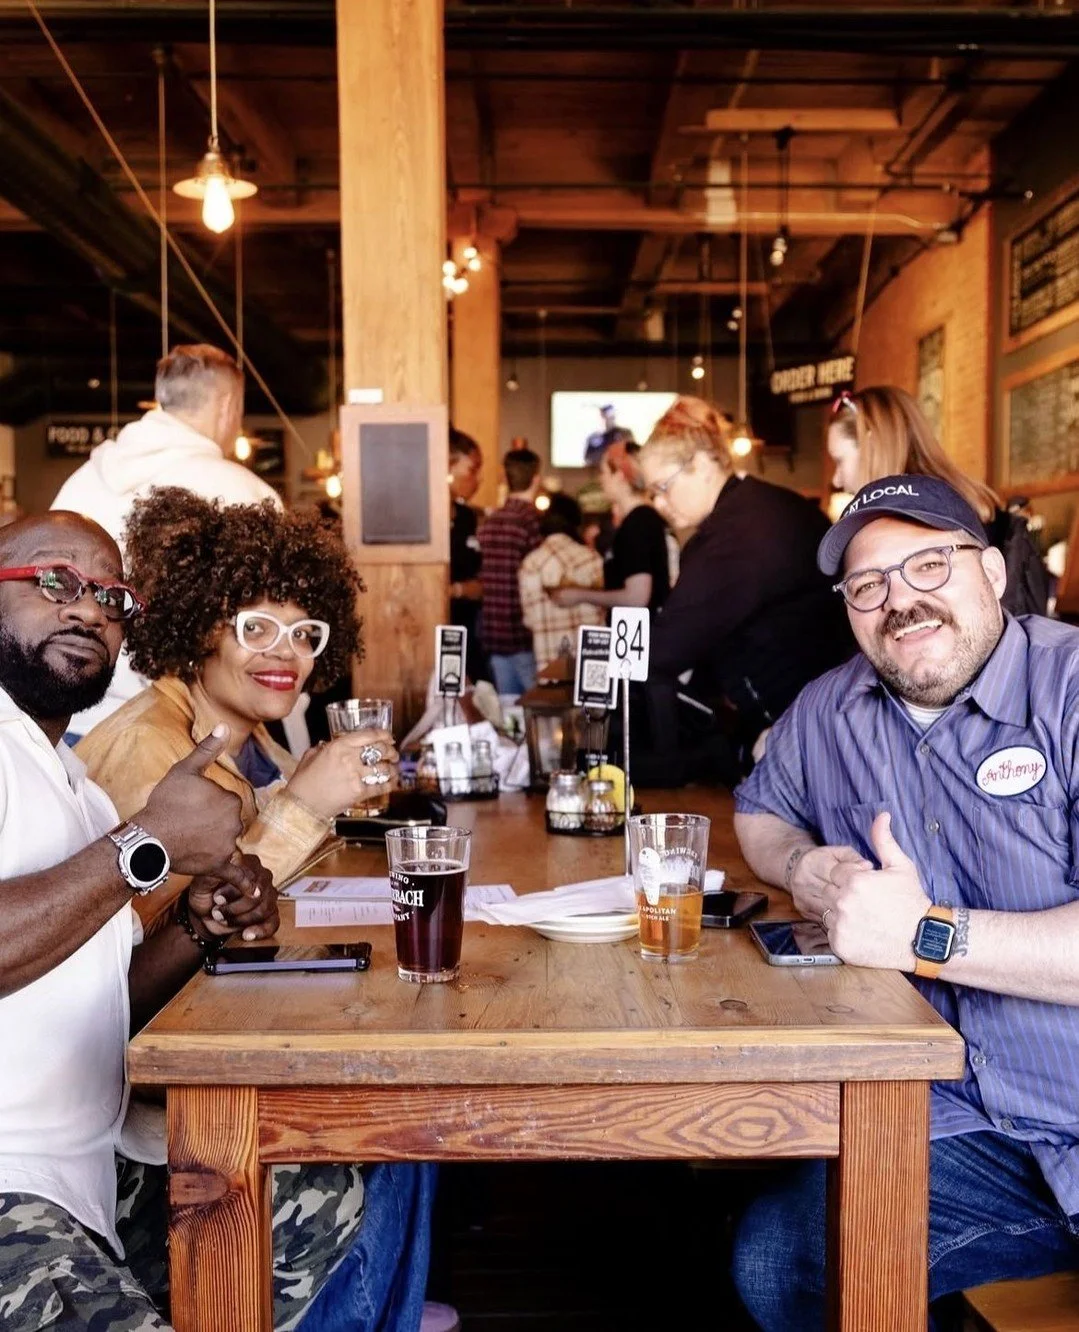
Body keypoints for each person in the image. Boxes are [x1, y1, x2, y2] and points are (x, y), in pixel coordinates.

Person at [0, 510, 430, 1332]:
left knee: (328, 1179)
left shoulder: (69, 782)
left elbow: (101, 992)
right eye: (54, 582)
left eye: (111, 596)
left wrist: (198, 929)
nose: (87, 607)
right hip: (16, 1183)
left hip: (91, 1173)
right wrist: (144, 845)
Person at [731, 474, 1079, 1330]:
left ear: (991, 572)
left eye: (929, 565)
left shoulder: (1068, 689)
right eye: (867, 584)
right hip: (965, 1123)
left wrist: (921, 936)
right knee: (781, 1256)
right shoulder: (830, 707)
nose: (899, 600)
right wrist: (804, 866)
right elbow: (757, 814)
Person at [77, 487, 393, 929]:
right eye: (256, 628)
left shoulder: (251, 736)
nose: (286, 651)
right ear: (198, 633)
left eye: (302, 633)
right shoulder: (144, 748)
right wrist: (303, 805)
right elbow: (149, 936)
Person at [51, 343, 282, 737]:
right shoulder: (247, 494)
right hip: (183, 732)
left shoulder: (79, 483)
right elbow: (270, 623)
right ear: (228, 406)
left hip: (68, 722)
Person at [635, 395, 851, 784]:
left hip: (804, 736)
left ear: (702, 465)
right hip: (819, 719)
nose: (659, 504)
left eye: (662, 487)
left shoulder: (737, 533)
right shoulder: (762, 507)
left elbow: (664, 649)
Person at [827, 385, 1049, 616]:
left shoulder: (917, 519)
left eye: (839, 461)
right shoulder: (976, 505)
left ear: (871, 445)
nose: (837, 479)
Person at [551, 437, 670, 616]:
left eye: (604, 472)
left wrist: (579, 595)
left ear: (620, 475)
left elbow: (637, 598)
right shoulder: (639, 520)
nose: (600, 480)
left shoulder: (638, 522)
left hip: (644, 631)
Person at [477, 447, 543, 696]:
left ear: (505, 477)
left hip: (494, 635)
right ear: (536, 479)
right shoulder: (533, 523)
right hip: (525, 636)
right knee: (538, 709)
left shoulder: (489, 523)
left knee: (508, 710)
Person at [519, 492, 604, 668]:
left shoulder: (530, 564)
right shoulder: (592, 558)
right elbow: (605, 608)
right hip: (591, 665)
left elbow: (529, 620)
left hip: (549, 665)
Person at [447, 426, 489, 684]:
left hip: (470, 631)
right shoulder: (425, 518)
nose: (478, 479)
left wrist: (460, 589)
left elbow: (482, 581)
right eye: (472, 470)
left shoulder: (468, 516)